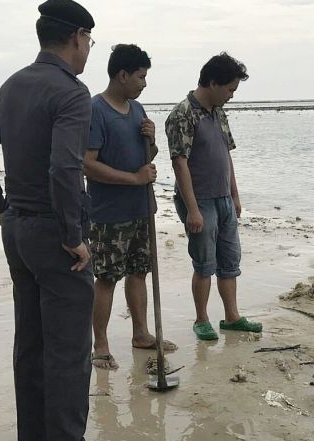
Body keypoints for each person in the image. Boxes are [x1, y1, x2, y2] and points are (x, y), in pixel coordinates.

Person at [0, 0, 116, 441]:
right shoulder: (70, 92)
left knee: (30, 338)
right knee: (69, 346)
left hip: (19, 231)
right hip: (53, 232)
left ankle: (32, 437)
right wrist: (73, 234)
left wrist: (0, 210)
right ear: (76, 38)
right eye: (89, 40)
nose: (89, 48)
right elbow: (65, 167)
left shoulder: (13, 84)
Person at [84, 44, 177, 370]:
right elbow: (88, 165)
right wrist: (134, 179)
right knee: (107, 277)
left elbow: (144, 160)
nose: (144, 83)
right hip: (109, 214)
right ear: (122, 75)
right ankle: (101, 345)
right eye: (140, 76)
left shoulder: (137, 110)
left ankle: (141, 334)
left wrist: (151, 142)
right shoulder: (96, 110)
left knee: (139, 272)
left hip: (141, 209)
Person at [165, 52, 262, 341]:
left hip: (223, 200)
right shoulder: (182, 114)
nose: (232, 95)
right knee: (204, 264)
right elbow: (179, 163)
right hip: (199, 201)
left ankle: (232, 317)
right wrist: (192, 209)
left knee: (230, 262)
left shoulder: (218, 112)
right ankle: (202, 319)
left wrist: (235, 195)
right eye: (230, 88)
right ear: (212, 82)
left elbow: (226, 156)